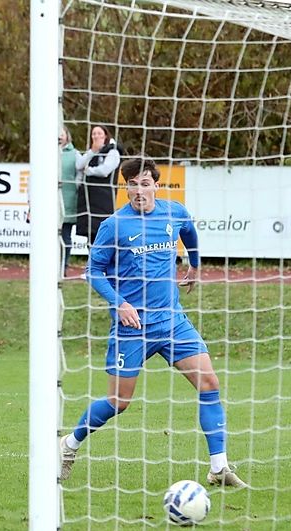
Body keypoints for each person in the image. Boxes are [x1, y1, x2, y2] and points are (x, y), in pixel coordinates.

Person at [59, 157, 247, 488]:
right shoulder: (114, 225)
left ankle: (219, 468)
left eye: (145, 183)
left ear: (156, 185)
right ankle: (68, 445)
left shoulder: (173, 212)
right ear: (125, 187)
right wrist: (119, 304)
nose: (139, 190)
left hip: (172, 321)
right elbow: (94, 271)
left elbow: (189, 231)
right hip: (133, 327)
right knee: (119, 402)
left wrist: (194, 264)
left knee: (209, 384)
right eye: (132, 184)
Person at [74, 125, 121, 245]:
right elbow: (79, 165)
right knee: (90, 235)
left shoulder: (113, 151)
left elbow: (105, 170)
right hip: (88, 200)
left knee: (103, 234)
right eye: (94, 134)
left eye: (99, 133)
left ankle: (105, 262)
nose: (96, 136)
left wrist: (89, 171)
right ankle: (92, 261)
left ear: (105, 135)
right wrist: (92, 151)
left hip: (103, 200)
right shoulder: (91, 152)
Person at [59, 125, 79, 276]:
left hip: (68, 203)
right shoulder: (46, 153)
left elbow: (80, 176)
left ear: (67, 136)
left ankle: (63, 266)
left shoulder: (75, 154)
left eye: (62, 133)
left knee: (65, 236)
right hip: (50, 206)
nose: (59, 136)